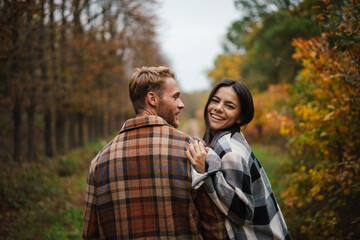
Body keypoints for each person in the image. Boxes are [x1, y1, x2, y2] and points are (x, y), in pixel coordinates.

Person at [82, 66, 225, 239]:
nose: (181, 104)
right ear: (152, 99)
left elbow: (90, 233)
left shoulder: (99, 161)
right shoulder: (193, 150)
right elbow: (213, 223)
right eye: (175, 97)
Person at [186, 79, 291, 240]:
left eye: (229, 106)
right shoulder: (230, 139)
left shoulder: (229, 150)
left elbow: (242, 213)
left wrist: (206, 172)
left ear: (240, 117)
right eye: (215, 100)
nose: (218, 108)